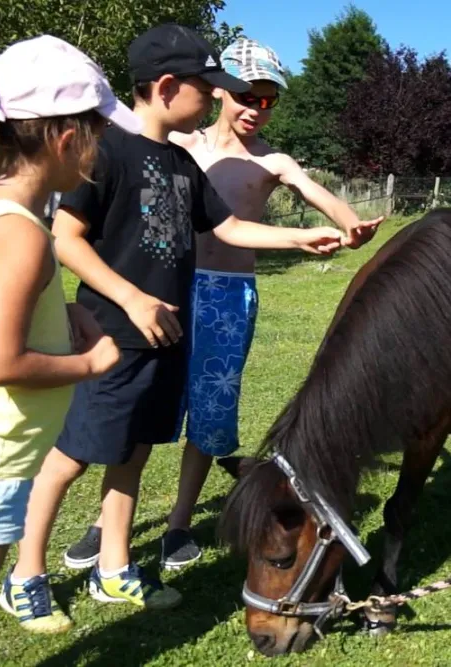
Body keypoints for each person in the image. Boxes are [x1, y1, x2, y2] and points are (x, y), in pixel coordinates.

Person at [1, 23, 349, 629]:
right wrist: (132, 299)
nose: (212, 97)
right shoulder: (104, 151)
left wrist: (300, 235)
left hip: (167, 335)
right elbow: (66, 237)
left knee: (133, 455)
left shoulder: (182, 161)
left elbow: (228, 229)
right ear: (166, 88)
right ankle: (24, 574)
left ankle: (114, 570)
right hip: (113, 337)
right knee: (73, 457)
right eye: (203, 87)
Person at [61, 37, 385, 570]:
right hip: (165, 290)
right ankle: (106, 523)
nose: (256, 109)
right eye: (247, 96)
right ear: (222, 92)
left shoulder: (272, 160)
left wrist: (349, 224)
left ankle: (179, 523)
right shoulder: (175, 145)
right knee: (138, 403)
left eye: (269, 101)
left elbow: (313, 192)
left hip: (229, 297)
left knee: (210, 413)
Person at [0, 35, 135, 637]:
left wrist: (59, 313)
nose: (101, 156)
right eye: (99, 137)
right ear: (66, 140)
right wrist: (91, 363)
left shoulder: (1, 215)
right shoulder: (20, 234)